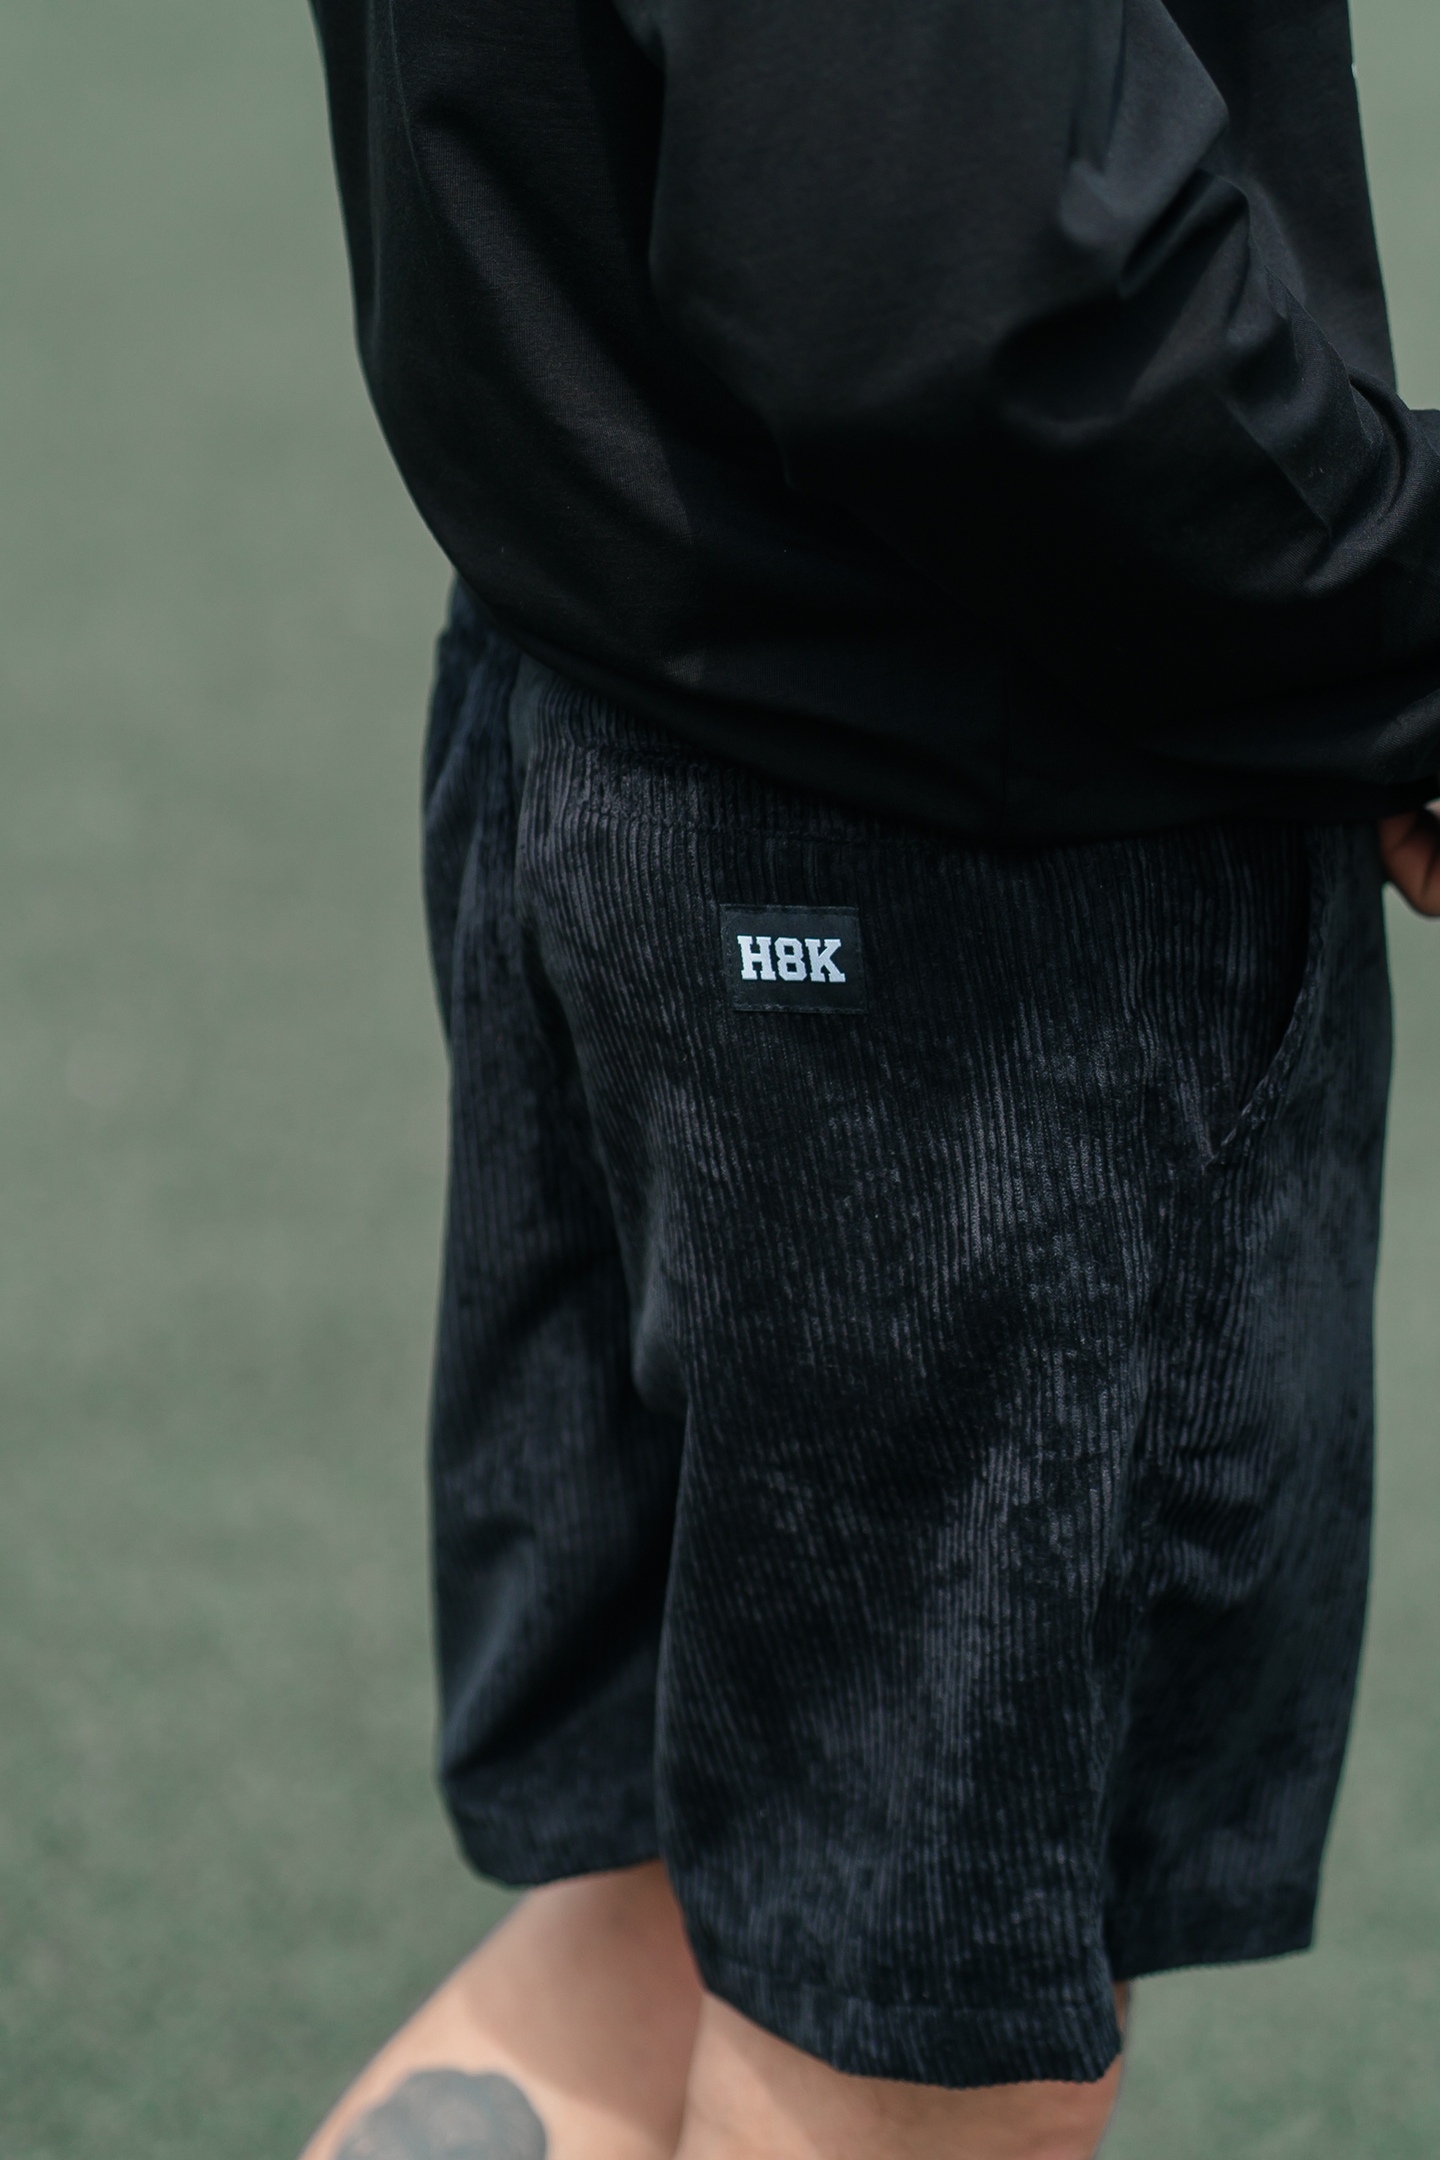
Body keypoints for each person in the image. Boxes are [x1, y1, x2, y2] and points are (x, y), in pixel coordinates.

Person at [298, 0, 1440, 2153]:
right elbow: (970, 276)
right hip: (971, 896)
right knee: (907, 2067)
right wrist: (1400, 607)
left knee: (643, 1927)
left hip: (616, 701)